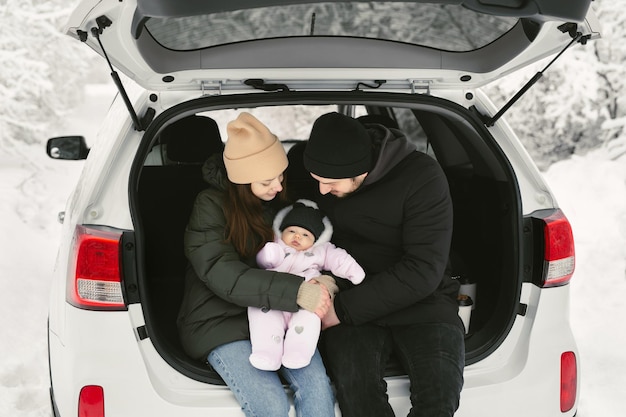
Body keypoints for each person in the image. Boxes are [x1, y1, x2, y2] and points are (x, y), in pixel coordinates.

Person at [303, 112, 465, 417]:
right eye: (317, 182)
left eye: (329, 182)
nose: (322, 191)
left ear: (358, 171)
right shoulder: (322, 180)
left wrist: (341, 310)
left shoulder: (422, 177)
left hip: (422, 300)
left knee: (439, 398)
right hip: (351, 296)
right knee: (357, 397)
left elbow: (423, 270)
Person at [177, 112, 336, 417]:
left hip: (277, 314)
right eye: (267, 181)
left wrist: (323, 280)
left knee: (318, 390)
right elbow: (223, 274)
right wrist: (296, 292)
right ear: (241, 179)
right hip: (219, 320)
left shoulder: (279, 206)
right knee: (270, 405)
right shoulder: (209, 205)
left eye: (281, 176)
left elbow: (307, 253)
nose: (277, 186)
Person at [249, 199, 365, 371]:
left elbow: (339, 258)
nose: (297, 237)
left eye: (305, 235)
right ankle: (266, 353)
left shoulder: (321, 251)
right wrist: (270, 254)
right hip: (272, 296)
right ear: (281, 230)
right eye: (292, 231)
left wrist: (353, 272)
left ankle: (298, 352)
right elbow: (263, 259)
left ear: (315, 240)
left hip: (306, 298)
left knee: (309, 320)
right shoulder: (276, 245)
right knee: (264, 320)